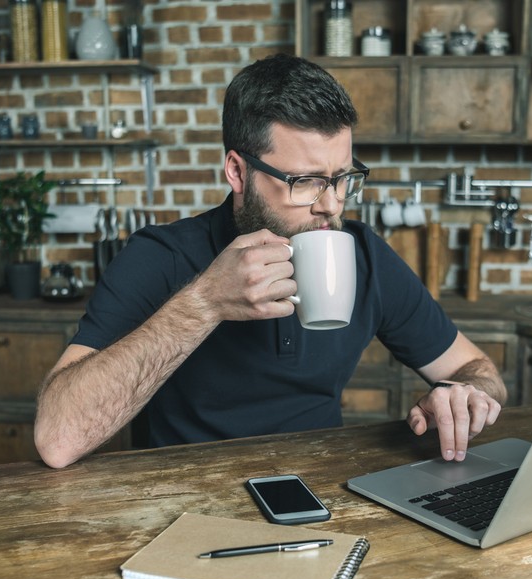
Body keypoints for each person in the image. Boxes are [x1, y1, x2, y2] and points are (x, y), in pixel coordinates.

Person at [34, 54, 506, 469]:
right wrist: (204, 304)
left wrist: (469, 396)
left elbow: (478, 369)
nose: (331, 206)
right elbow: (57, 439)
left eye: (341, 178)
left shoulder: (364, 255)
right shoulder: (161, 256)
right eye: (305, 181)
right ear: (238, 171)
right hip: (184, 503)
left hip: (322, 493)